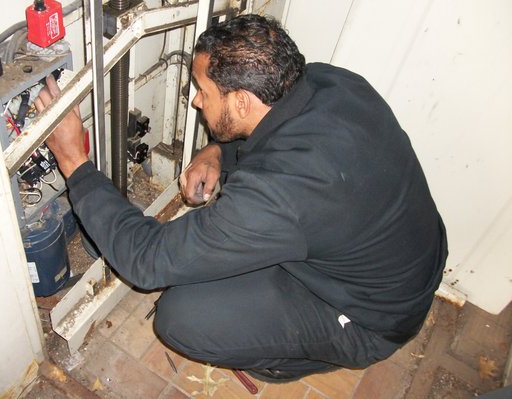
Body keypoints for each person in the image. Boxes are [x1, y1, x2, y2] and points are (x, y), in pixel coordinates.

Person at [36, 14, 448, 383]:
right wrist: (217, 152)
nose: (195, 100)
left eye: (203, 91)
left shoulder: (278, 196)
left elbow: (146, 261)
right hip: (402, 260)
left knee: (181, 318)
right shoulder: (330, 82)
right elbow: (272, 140)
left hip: (372, 319)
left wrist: (76, 164)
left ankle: (290, 360)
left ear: (241, 101)